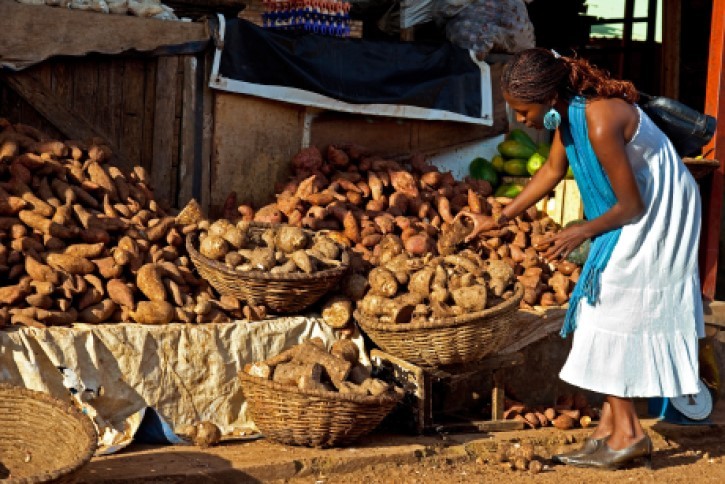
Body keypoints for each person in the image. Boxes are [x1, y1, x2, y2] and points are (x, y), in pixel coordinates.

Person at [456, 48, 704, 470]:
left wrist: (580, 230)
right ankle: (608, 429)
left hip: (660, 211)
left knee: (616, 310)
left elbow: (630, 205)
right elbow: (551, 174)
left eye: (521, 110)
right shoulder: (568, 117)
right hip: (635, 210)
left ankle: (629, 435)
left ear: (547, 96)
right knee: (602, 311)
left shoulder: (599, 119)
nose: (519, 120)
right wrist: (496, 218)